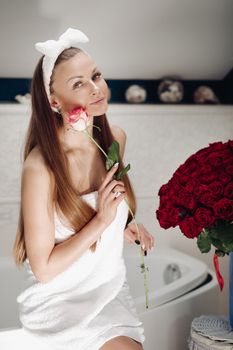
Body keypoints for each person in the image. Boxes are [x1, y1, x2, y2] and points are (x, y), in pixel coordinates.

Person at [13, 28, 155, 350]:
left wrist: (121, 227)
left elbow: (94, 213)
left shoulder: (114, 139)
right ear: (53, 100)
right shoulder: (40, 168)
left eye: (96, 75)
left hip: (105, 291)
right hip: (56, 304)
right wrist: (103, 221)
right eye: (78, 83)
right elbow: (45, 269)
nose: (96, 89)